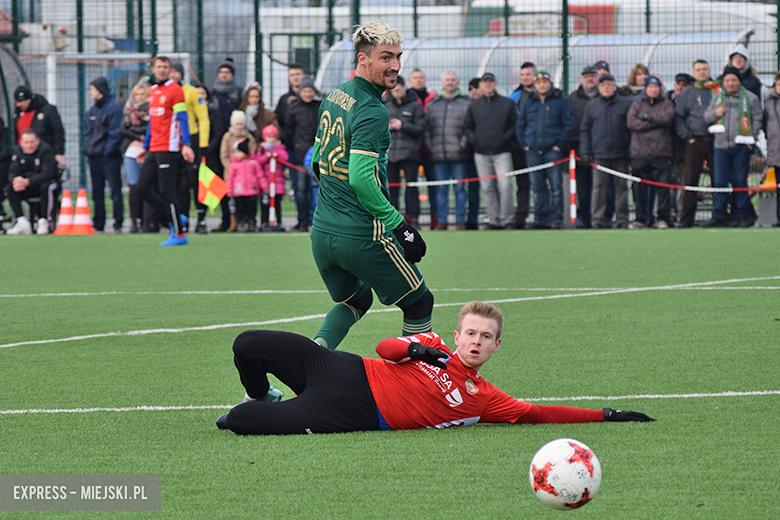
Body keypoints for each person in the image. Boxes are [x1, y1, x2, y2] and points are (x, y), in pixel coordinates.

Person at [215, 301, 655, 435]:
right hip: (344, 369)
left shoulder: (485, 399)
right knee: (248, 345)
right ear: (458, 334)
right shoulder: (432, 344)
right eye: (471, 333)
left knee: (238, 420)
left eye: (486, 337)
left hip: (355, 414)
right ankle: (264, 393)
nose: (476, 342)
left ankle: (258, 408)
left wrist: (607, 414)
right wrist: (419, 352)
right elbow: (385, 348)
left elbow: (538, 412)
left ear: (495, 346)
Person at [310, 20, 432, 351]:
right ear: (363, 60)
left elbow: (316, 162)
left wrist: (336, 205)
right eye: (385, 57)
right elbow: (362, 178)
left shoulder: (335, 94)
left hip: (322, 232)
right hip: (362, 234)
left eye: (397, 56)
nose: (395, 65)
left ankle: (310, 363)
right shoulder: (373, 110)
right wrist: (400, 227)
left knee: (357, 300)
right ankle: (416, 386)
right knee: (419, 302)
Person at [135, 55, 195, 247]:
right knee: (141, 189)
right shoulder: (152, 91)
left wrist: (186, 143)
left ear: (170, 70)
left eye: (165, 67)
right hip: (154, 148)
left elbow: (183, 118)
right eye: (158, 66)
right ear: (153, 69)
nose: (161, 70)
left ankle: (179, 234)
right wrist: (145, 147)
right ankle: (177, 216)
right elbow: (153, 121)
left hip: (169, 147)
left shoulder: (175, 90)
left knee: (167, 191)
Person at [703, 66, 762, 227]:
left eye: (733, 80)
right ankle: (719, 215)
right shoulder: (717, 99)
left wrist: (752, 139)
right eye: (727, 80)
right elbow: (706, 117)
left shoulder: (750, 98)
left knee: (740, 181)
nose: (730, 83)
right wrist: (717, 113)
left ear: (738, 81)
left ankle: (741, 214)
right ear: (723, 82)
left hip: (741, 147)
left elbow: (757, 119)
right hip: (720, 147)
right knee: (720, 181)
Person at [516, 71, 574, 229]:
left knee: (556, 187)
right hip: (533, 151)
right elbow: (521, 124)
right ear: (535, 85)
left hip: (553, 150)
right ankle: (540, 219)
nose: (542, 85)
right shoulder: (529, 102)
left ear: (550, 83)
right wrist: (525, 144)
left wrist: (559, 145)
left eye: (545, 82)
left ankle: (556, 219)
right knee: (537, 187)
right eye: (539, 82)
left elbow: (568, 124)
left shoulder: (560, 101)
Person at [579, 73, 633, 229]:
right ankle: (598, 220)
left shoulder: (625, 104)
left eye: (610, 84)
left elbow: (631, 129)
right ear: (599, 87)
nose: (607, 87)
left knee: (622, 188)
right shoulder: (592, 106)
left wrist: (630, 151)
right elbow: (585, 130)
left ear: (615, 87)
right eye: (603, 85)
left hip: (621, 154)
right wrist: (585, 151)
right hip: (599, 154)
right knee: (598, 189)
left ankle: (622, 220)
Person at [465, 72, 517, 229]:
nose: (488, 84)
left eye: (490, 81)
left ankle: (507, 219)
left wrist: (504, 138)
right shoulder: (474, 105)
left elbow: (515, 125)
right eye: (485, 82)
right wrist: (475, 140)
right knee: (487, 188)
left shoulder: (507, 103)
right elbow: (467, 127)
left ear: (495, 83)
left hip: (502, 152)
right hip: (481, 153)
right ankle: (493, 220)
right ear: (480, 85)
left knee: (505, 185)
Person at [626, 75, 676, 229]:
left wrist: (646, 118)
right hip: (640, 153)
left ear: (660, 88)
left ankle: (663, 218)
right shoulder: (637, 104)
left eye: (656, 87)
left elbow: (667, 118)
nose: (653, 90)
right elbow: (632, 122)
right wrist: (654, 123)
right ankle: (641, 219)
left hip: (661, 153)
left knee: (663, 188)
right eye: (650, 87)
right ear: (646, 88)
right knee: (639, 188)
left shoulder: (667, 104)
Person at [675, 60, 719, 228]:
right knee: (691, 180)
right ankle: (686, 219)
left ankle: (719, 215)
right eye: (698, 70)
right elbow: (679, 117)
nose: (702, 72)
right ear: (693, 73)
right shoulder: (688, 93)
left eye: (705, 69)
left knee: (718, 180)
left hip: (715, 141)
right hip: (695, 141)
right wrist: (687, 136)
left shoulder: (717, 90)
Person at [425, 72, 471, 230]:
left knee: (459, 189)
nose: (450, 83)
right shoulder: (433, 104)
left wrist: (463, 145)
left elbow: (469, 127)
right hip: (438, 155)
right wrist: (431, 147)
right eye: (447, 80)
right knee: (441, 190)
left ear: (457, 82)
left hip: (459, 154)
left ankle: (460, 221)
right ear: (442, 82)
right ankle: (442, 221)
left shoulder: (466, 103)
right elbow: (427, 129)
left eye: (453, 80)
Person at [170, 62, 211, 235]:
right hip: (173, 142)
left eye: (175, 72)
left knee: (196, 182)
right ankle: (182, 219)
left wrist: (202, 145)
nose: (172, 75)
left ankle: (201, 219)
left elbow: (203, 118)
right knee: (180, 185)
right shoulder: (164, 92)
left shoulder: (192, 92)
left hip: (192, 141)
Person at [83, 77, 124, 233]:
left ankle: (118, 222)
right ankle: (99, 223)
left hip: (109, 157)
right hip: (94, 157)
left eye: (92, 89)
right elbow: (87, 133)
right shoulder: (92, 111)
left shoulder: (113, 108)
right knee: (97, 192)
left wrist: (107, 151)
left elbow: (115, 133)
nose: (90, 92)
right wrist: (88, 149)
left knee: (115, 190)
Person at [383, 75, 425, 226]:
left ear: (405, 87)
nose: (396, 94)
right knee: (392, 189)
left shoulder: (415, 105)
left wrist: (403, 126)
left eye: (398, 90)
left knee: (411, 187)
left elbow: (421, 128)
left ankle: (413, 218)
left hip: (409, 154)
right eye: (393, 91)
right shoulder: (386, 104)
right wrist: (386, 127)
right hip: (391, 153)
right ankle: (393, 220)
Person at [282, 75, 320, 231]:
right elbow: (287, 132)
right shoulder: (294, 109)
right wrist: (296, 146)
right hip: (300, 156)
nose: (308, 94)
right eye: (305, 91)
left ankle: (316, 221)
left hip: (319, 155)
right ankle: (302, 220)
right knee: (301, 190)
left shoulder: (320, 106)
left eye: (311, 91)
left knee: (317, 190)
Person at [210, 57, 243, 232]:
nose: (224, 75)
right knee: (221, 185)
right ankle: (225, 219)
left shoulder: (238, 93)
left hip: (235, 145)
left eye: (227, 73)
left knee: (239, 185)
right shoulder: (212, 94)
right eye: (221, 72)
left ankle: (240, 220)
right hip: (217, 146)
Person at [4, 129, 57, 235]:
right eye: (26, 142)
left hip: (42, 184)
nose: (29, 145)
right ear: (21, 142)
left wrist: (28, 181)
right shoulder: (17, 152)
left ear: (38, 141)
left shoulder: (45, 150)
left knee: (46, 187)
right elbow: (12, 171)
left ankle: (44, 221)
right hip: (25, 186)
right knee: (10, 188)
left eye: (32, 142)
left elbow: (47, 174)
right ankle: (21, 221)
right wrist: (16, 181)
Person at [568, 65, 600, 228]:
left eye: (593, 76)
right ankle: (585, 218)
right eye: (587, 76)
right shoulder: (573, 98)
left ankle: (603, 218)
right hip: (579, 150)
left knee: (603, 188)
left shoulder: (605, 96)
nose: (590, 79)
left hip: (602, 149)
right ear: (582, 79)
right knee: (584, 188)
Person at [408, 68, 438, 229]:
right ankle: (412, 218)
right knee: (410, 187)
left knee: (433, 186)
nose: (418, 80)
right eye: (415, 78)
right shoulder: (406, 98)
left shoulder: (433, 99)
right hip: (411, 150)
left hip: (430, 150)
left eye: (421, 77)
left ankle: (435, 218)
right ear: (410, 81)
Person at [508, 61, 536, 229]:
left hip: (538, 147)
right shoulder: (515, 96)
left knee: (541, 184)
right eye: (523, 75)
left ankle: (543, 216)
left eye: (528, 74)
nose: (526, 78)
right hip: (519, 147)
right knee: (522, 184)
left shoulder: (543, 93)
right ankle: (521, 216)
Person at [120, 83, 150, 233]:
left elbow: (150, 128)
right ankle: (134, 221)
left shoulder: (151, 111)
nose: (139, 98)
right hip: (131, 153)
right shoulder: (129, 112)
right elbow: (123, 130)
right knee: (133, 188)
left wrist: (135, 131)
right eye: (137, 94)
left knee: (144, 187)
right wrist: (138, 135)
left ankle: (147, 222)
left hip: (146, 152)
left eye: (142, 94)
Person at [220, 110, 258, 231]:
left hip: (248, 176)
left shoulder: (248, 137)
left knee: (250, 203)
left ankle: (250, 221)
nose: (240, 126)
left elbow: (253, 152)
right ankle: (235, 222)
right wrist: (231, 167)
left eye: (242, 124)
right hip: (234, 175)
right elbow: (224, 154)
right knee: (235, 203)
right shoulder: (227, 137)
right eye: (237, 124)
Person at [12, 86, 66, 169]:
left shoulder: (47, 110)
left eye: (21, 102)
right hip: (23, 156)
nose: (19, 105)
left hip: (43, 156)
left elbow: (58, 132)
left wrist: (58, 152)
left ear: (29, 100)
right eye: (17, 102)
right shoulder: (17, 113)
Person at [198, 85, 228, 231]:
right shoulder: (190, 113)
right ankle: (200, 220)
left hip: (211, 157)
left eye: (202, 93)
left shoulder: (214, 113)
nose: (199, 96)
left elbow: (218, 133)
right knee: (196, 189)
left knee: (218, 187)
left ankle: (226, 220)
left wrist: (207, 150)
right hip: (193, 157)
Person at [667, 73, 694, 224]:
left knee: (685, 185)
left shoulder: (693, 104)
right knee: (668, 186)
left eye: (684, 85)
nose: (680, 88)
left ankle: (682, 215)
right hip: (667, 151)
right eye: (679, 84)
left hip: (686, 151)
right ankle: (670, 214)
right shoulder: (665, 101)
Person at [256, 125, 289, 228]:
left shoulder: (280, 147)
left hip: (277, 182)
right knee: (265, 204)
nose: (271, 139)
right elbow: (258, 161)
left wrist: (276, 154)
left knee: (277, 204)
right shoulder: (262, 149)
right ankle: (264, 222)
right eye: (269, 137)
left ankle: (279, 221)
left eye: (273, 137)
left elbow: (285, 157)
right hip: (266, 181)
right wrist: (267, 156)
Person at [225, 137, 261, 231]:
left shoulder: (254, 162)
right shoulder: (233, 165)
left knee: (252, 208)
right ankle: (241, 223)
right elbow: (230, 179)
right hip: (238, 191)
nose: (236, 154)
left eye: (238, 152)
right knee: (240, 209)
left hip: (252, 191)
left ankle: (251, 222)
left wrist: (263, 186)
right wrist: (229, 190)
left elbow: (260, 175)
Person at [275, 62, 305, 159]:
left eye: (298, 74)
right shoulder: (284, 99)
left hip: (308, 145)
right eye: (292, 75)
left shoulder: (312, 98)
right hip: (289, 146)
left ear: (304, 75)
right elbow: (278, 120)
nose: (295, 77)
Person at [762, 72, 780, 226]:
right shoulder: (769, 104)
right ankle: (779, 218)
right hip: (777, 152)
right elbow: (764, 125)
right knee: (778, 188)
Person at [465, 78, 482, 229]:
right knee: (472, 189)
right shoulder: (467, 105)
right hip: (467, 153)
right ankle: (472, 219)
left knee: (494, 186)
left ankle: (497, 218)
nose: (474, 90)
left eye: (477, 87)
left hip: (487, 151)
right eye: (471, 88)